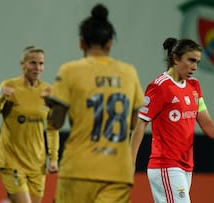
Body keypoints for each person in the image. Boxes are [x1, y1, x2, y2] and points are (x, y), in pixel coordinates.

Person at [43, 4, 145, 203]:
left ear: (82, 43)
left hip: (79, 169)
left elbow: (56, 122)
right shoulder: (128, 72)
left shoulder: (70, 71)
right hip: (117, 172)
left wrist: (51, 103)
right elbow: (133, 123)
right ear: (109, 44)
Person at [130, 37, 214, 203]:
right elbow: (141, 124)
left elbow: (204, 119)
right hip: (165, 165)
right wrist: (130, 162)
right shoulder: (160, 87)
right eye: (191, 60)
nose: (194, 67)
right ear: (176, 58)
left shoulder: (194, 86)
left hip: (186, 165)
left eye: (198, 62)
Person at [0, 46, 59, 203]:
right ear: (23, 64)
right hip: (11, 161)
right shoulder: (8, 86)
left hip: (37, 164)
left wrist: (53, 158)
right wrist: (1, 99)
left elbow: (53, 128)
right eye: (33, 63)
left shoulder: (48, 91)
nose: (38, 68)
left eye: (41, 63)